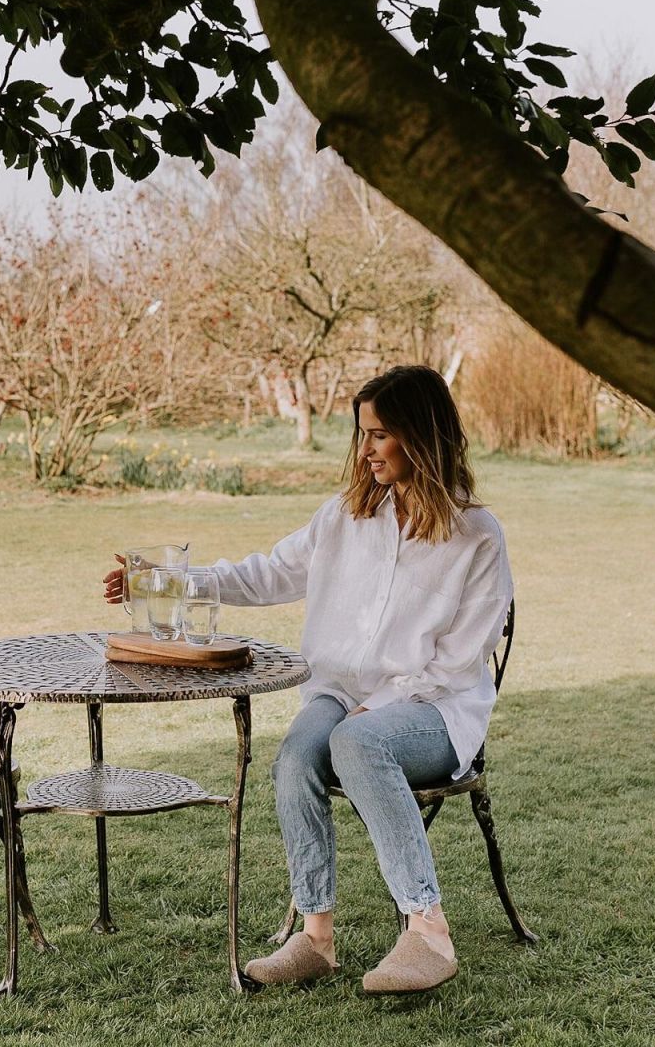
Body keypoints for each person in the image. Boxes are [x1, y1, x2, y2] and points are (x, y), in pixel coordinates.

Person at [104, 364, 513, 994]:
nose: (366, 449)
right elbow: (263, 575)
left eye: (379, 434)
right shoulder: (344, 518)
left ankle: (428, 931)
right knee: (296, 754)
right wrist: (162, 581)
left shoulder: (475, 535)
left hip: (435, 710)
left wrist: (380, 706)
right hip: (341, 696)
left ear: (421, 436)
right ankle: (316, 938)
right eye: (362, 435)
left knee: (357, 741)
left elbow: (462, 657)